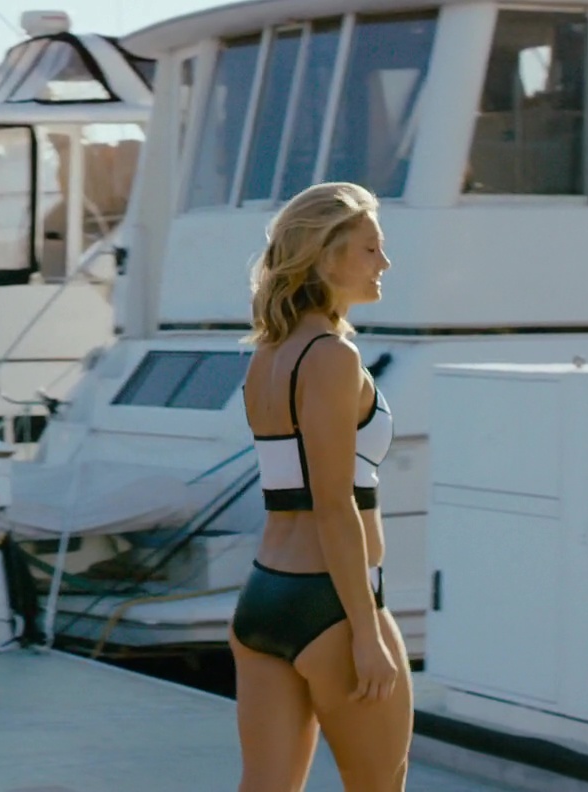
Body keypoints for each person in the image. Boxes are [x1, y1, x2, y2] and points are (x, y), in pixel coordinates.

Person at [230, 182, 411, 790]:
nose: (384, 263)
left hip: (263, 598)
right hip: (331, 603)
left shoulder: (268, 356)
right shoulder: (332, 358)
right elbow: (334, 506)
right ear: (327, 257)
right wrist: (368, 633)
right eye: (370, 248)